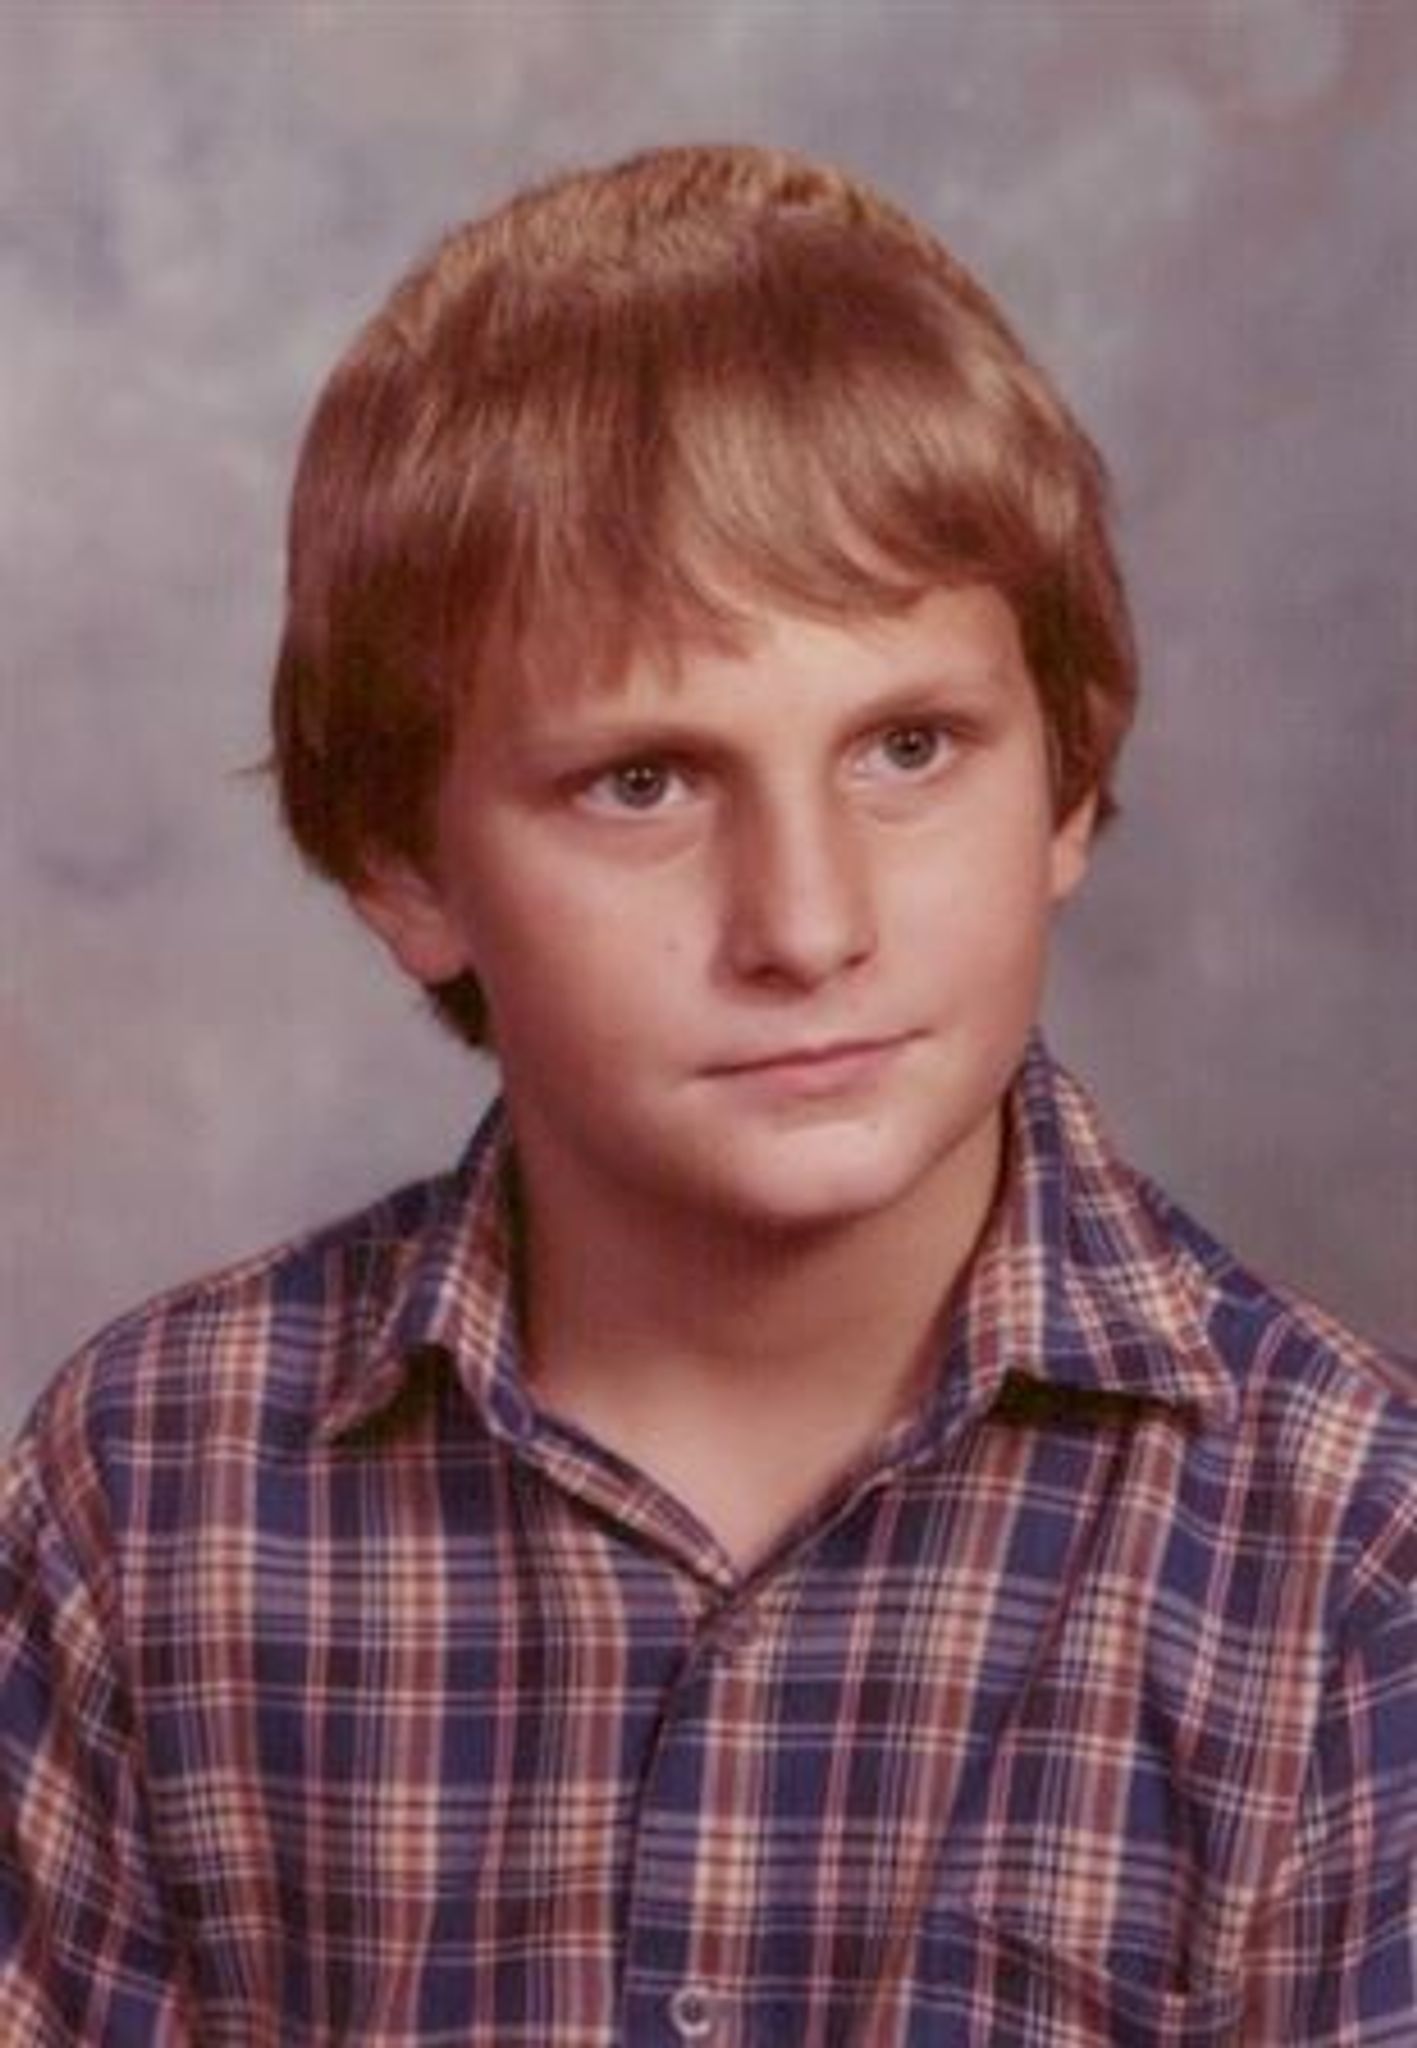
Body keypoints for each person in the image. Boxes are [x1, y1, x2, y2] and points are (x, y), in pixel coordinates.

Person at [2, 142, 1413, 2046]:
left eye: (908, 748)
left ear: (1066, 785)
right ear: (404, 871)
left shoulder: (1349, 1556)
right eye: (643, 783)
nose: (806, 926)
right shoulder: (147, 1494)